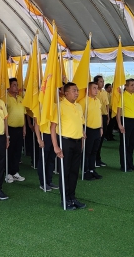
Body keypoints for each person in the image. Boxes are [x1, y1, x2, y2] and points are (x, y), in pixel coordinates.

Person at [51, 82, 86, 210]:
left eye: (77, 90)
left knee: (74, 172)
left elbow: (80, 126)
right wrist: (56, 146)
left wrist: (81, 141)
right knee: (65, 172)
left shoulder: (79, 106)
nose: (76, 92)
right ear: (66, 93)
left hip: (77, 142)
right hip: (65, 142)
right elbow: (53, 127)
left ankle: (72, 197)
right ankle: (65, 199)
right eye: (73, 90)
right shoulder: (60, 106)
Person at [79, 82, 103, 180]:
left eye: (97, 88)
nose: (96, 90)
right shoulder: (83, 101)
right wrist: (82, 131)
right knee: (86, 152)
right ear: (88, 89)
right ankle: (85, 171)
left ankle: (92, 170)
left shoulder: (97, 100)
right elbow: (79, 118)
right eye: (94, 88)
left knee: (94, 151)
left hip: (97, 129)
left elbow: (100, 114)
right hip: (88, 129)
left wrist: (101, 128)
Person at [116, 78, 134, 172]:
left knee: (132, 144)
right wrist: (119, 124)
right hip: (125, 121)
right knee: (124, 144)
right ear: (126, 86)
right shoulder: (122, 96)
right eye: (132, 85)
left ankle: (130, 163)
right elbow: (118, 112)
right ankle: (124, 165)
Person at [6, 78, 26, 183]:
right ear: (9, 86)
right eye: (14, 85)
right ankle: (8, 173)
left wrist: (24, 128)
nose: (16, 87)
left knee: (18, 151)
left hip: (19, 128)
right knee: (10, 151)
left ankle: (15, 172)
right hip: (10, 129)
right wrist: (7, 133)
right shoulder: (6, 98)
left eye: (17, 85)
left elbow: (23, 114)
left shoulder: (20, 98)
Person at [94, 75, 109, 167]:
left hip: (103, 116)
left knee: (101, 138)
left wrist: (108, 116)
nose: (102, 83)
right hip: (95, 118)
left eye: (103, 81)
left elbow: (107, 104)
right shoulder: (93, 92)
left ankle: (98, 158)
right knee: (96, 139)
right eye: (100, 81)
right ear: (96, 82)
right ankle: (94, 159)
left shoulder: (104, 92)